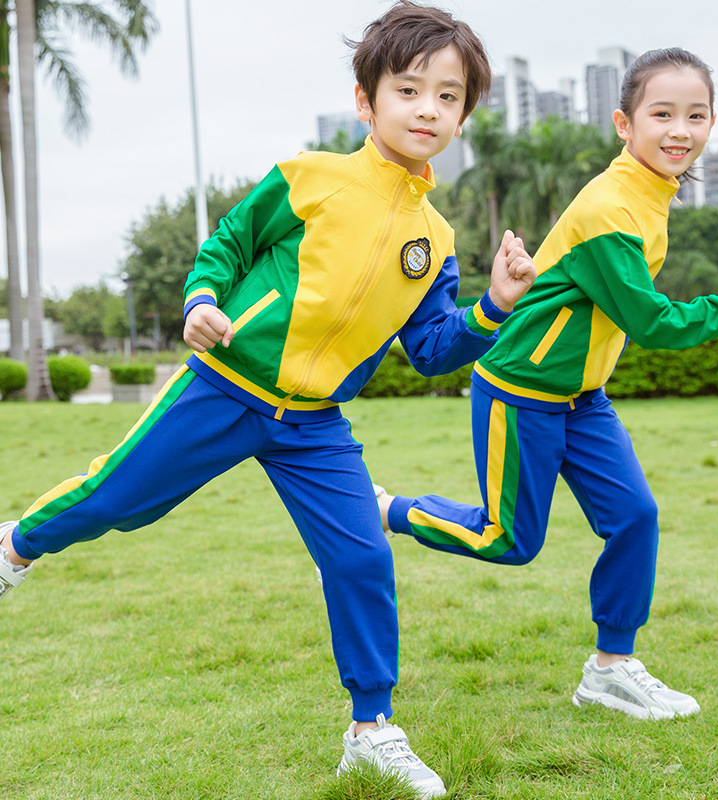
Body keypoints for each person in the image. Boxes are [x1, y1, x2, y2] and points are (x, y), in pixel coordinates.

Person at [0, 2, 535, 796]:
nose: (428, 109)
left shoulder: (437, 240)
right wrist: (200, 300)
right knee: (117, 499)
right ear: (366, 101)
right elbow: (227, 245)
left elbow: (431, 349)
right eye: (409, 90)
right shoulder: (308, 177)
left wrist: (492, 307)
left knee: (362, 556)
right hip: (224, 388)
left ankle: (372, 730)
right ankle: (14, 548)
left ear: (463, 117)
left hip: (315, 428)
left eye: (448, 97)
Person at [377, 47, 718, 722]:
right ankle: (388, 511)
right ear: (624, 123)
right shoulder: (611, 208)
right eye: (662, 113)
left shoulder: (650, 192)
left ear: (712, 125)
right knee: (509, 541)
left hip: (583, 399)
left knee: (634, 518)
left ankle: (610, 668)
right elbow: (653, 323)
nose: (680, 130)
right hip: (521, 391)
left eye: (696, 115)